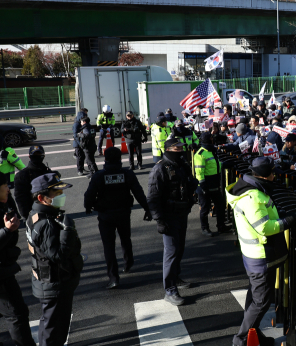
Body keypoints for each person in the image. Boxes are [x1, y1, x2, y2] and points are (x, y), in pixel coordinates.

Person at [226, 157, 296, 346]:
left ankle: (254, 334)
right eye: (273, 173)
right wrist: (288, 221)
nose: (275, 176)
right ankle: (241, 340)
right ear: (265, 176)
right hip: (260, 255)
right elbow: (265, 227)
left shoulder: (251, 188)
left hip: (254, 254)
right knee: (261, 301)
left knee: (255, 297)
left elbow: (266, 214)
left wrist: (281, 213)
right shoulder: (253, 197)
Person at [27, 173, 83, 346]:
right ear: (41, 198)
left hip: (49, 282)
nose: (61, 196)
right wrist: (68, 231)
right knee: (55, 332)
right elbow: (59, 255)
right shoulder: (46, 223)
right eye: (56, 193)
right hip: (55, 283)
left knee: (49, 326)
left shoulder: (37, 215)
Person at [84, 147, 149, 289]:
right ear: (120, 159)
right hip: (123, 212)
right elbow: (138, 192)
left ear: (105, 159)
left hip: (105, 215)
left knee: (108, 246)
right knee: (126, 239)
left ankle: (113, 277)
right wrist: (147, 208)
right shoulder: (127, 174)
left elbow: (89, 195)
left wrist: (88, 207)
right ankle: (128, 262)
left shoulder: (98, 176)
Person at [147, 139, 198, 306]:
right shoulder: (160, 169)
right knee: (171, 251)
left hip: (181, 213)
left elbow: (189, 183)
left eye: (182, 147)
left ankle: (175, 276)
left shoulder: (181, 165)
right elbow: (153, 198)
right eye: (178, 148)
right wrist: (159, 220)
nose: (181, 150)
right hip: (168, 216)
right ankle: (169, 289)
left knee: (180, 248)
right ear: (169, 149)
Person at [0, 171, 36, 346]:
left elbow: (15, 215)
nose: (8, 190)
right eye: (4, 187)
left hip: (2, 268)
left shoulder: (2, 202)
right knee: (17, 314)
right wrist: (7, 230)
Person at [194, 132, 230, 237]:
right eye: (211, 138)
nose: (213, 140)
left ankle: (221, 226)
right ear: (207, 140)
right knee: (205, 208)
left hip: (214, 182)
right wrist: (203, 185)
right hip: (205, 184)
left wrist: (224, 164)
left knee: (220, 205)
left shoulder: (212, 151)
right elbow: (199, 172)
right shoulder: (200, 154)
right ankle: (205, 228)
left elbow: (214, 164)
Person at [14, 145, 56, 221]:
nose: (37, 157)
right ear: (29, 156)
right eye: (35, 155)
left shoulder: (48, 172)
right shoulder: (22, 175)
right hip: (32, 213)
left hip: (50, 211)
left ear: (43, 156)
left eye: (39, 155)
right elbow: (21, 199)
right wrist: (27, 216)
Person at [0, 133, 25, 219]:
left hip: (4, 183)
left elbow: (21, 166)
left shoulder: (8, 152)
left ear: (0, 142)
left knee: (6, 199)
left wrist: (27, 177)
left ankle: (15, 216)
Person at [73, 109, 88, 175]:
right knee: (79, 157)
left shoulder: (79, 122)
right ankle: (79, 170)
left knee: (82, 156)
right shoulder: (76, 124)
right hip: (78, 143)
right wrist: (80, 144)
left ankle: (82, 168)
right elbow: (75, 135)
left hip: (81, 143)